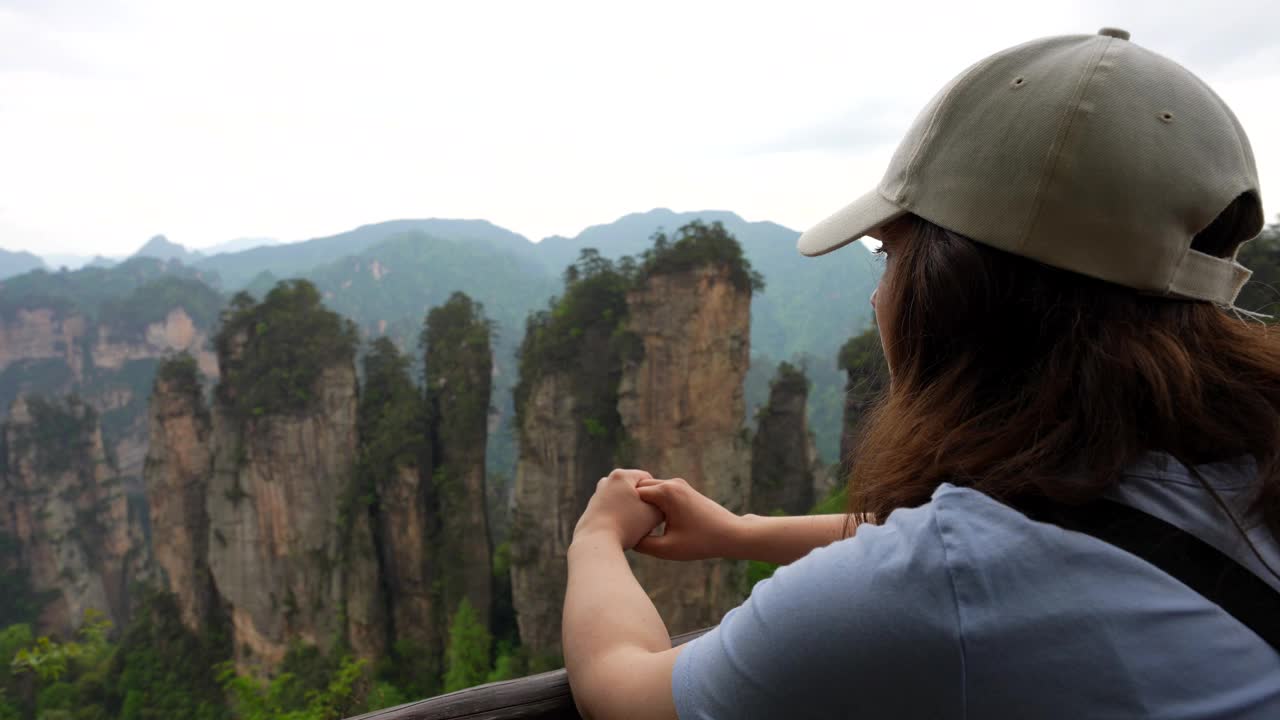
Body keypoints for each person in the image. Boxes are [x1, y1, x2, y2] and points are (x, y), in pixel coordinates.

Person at [561, 28, 1280, 719]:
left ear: (953, 292)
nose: (880, 295)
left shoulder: (939, 590)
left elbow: (625, 693)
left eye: (889, 256)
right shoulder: (1245, 464)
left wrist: (595, 538)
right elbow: (1058, 528)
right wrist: (743, 532)